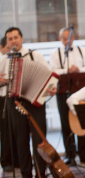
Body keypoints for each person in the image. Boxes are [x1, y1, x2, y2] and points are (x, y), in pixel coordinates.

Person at [0, 27, 55, 178]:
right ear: (7, 42)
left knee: (39, 140)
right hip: (15, 102)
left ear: (22, 39)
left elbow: (49, 76)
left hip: (36, 102)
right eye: (10, 39)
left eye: (15, 37)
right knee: (21, 141)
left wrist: (51, 89)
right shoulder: (4, 60)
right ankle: (26, 174)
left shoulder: (34, 55)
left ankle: (40, 174)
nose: (13, 41)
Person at [49, 27, 85, 165]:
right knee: (65, 123)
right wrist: (67, 71)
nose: (66, 41)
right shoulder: (55, 53)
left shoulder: (82, 51)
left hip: (80, 93)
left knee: (82, 121)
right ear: (59, 39)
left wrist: (78, 69)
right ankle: (70, 155)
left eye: (68, 37)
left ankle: (83, 155)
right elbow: (53, 70)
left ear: (73, 38)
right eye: (63, 38)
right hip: (63, 92)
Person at [0, 35, 18, 172]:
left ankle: (18, 159)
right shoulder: (3, 59)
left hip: (19, 97)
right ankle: (6, 160)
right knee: (6, 130)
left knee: (18, 131)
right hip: (4, 97)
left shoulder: (28, 56)